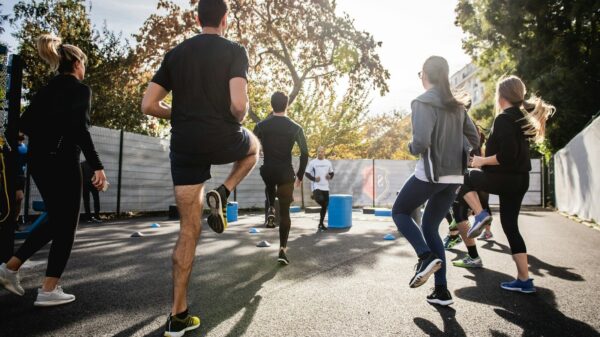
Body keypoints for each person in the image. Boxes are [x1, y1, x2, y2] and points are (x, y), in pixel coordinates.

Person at [141, 0, 259, 335]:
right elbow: (238, 105)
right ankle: (223, 190)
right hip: (222, 136)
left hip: (185, 145)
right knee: (253, 149)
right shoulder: (236, 50)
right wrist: (239, 117)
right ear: (225, 20)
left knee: (187, 232)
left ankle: (178, 315)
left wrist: (179, 114)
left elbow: (149, 105)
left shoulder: (176, 54)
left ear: (197, 19)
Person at [0, 34, 107, 306]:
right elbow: (80, 130)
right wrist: (97, 166)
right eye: (84, 64)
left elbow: (24, 123)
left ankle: (10, 267)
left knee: (56, 219)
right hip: (63, 162)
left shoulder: (47, 90)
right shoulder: (80, 90)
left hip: (40, 163)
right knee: (66, 225)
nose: (85, 69)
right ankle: (48, 289)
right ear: (76, 64)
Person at [391, 56, 479, 306]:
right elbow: (474, 139)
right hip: (454, 177)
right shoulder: (458, 106)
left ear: (426, 76)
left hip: (431, 173)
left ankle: (425, 256)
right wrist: (458, 153)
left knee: (399, 211)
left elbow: (420, 143)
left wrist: (410, 146)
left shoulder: (421, 102)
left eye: (420, 74)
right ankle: (442, 291)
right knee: (430, 227)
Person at [459, 75, 555, 293]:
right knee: (511, 226)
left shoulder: (504, 119)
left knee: (462, 179)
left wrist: (481, 161)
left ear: (501, 95)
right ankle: (524, 279)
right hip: (520, 179)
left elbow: (507, 156)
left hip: (506, 178)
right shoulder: (520, 117)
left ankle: (480, 214)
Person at [254, 92, 308, 265]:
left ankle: (270, 207)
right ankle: (282, 250)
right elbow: (305, 153)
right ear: (287, 105)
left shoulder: (261, 125)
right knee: (285, 213)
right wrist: (299, 176)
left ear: (271, 105)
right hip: (286, 173)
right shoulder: (296, 127)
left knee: (269, 182)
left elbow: (252, 146)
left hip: (268, 169)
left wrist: (260, 151)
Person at [304, 146, 334, 231]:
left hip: (325, 187)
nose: (320, 153)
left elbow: (332, 173)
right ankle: (315, 195)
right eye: (318, 151)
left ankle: (321, 223)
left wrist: (330, 176)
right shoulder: (313, 162)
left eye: (321, 151)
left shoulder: (328, 162)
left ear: (324, 152)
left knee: (325, 205)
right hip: (316, 186)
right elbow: (306, 173)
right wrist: (314, 179)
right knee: (320, 199)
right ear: (317, 152)